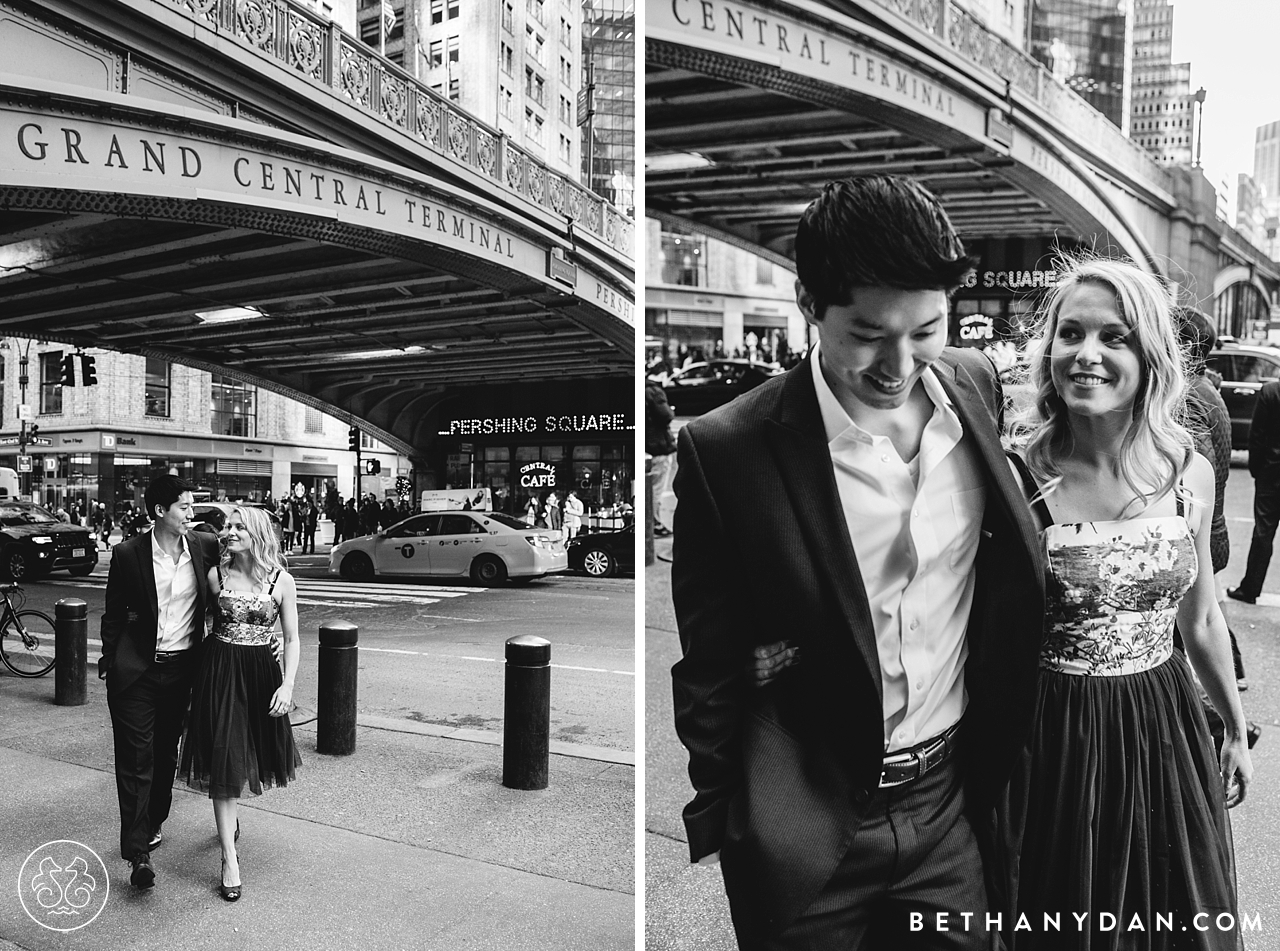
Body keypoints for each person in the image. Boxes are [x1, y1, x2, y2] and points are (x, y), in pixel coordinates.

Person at [671, 175, 1046, 948]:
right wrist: (733, 820)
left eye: (926, 330)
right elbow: (708, 663)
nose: (898, 364)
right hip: (808, 823)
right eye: (868, 333)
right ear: (809, 302)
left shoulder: (974, 385)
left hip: (948, 805)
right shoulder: (726, 450)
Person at [988, 258, 1249, 948]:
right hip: (1053, 736)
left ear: (1150, 355)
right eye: (1070, 333)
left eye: (1115, 337)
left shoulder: (1188, 471)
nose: (1087, 354)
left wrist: (1233, 723)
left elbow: (1201, 617)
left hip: (1165, 725)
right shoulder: (1014, 474)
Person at [99, 476, 220, 889]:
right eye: (184, 507)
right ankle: (138, 855)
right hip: (137, 674)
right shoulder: (129, 554)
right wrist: (111, 663)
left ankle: (151, 823)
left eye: (192, 506)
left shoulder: (204, 547)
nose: (192, 513)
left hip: (183, 671)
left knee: (166, 755)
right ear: (159, 513)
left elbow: (243, 570)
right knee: (136, 761)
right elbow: (113, 615)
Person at [179, 505, 301, 902]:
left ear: (256, 533)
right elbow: (199, 621)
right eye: (227, 527)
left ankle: (230, 822)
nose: (228, 533)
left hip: (262, 674)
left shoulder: (282, 581)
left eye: (236, 527)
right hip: (220, 672)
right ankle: (229, 859)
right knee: (224, 756)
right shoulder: (216, 576)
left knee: (247, 753)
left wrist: (288, 685)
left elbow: (294, 638)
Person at [1228, 378, 1280, 606]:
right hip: (1269, 471)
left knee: (1263, 533)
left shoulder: (1271, 392)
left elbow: (1256, 435)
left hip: (1271, 472)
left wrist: (1257, 469)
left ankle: (1250, 588)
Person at [646, 381, 677, 537]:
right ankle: (654, 523)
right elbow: (665, 415)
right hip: (659, 446)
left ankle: (651, 522)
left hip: (648, 448)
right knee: (656, 490)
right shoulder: (653, 392)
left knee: (649, 489)